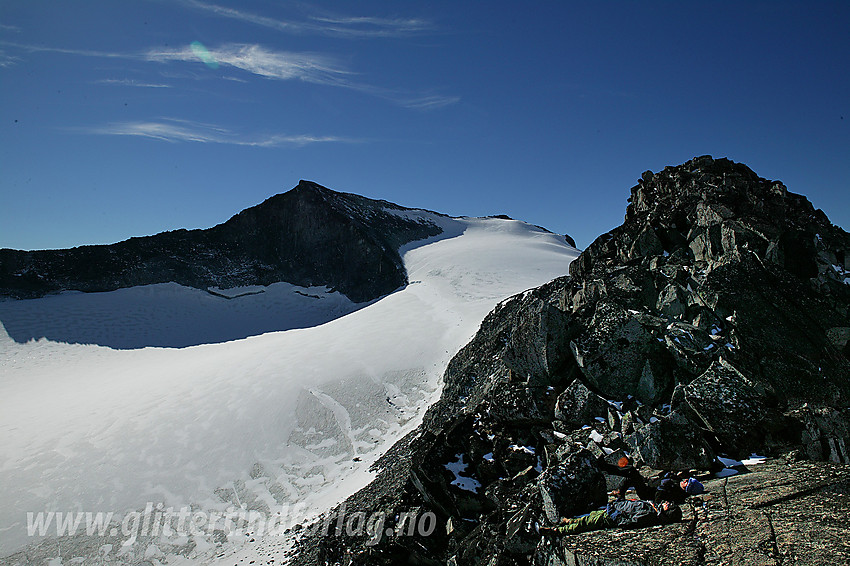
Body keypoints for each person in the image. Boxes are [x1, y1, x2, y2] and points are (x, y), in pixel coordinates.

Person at [539, 499, 682, 536]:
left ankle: (556, 531)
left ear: (667, 513)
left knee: (585, 524)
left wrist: (613, 512)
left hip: (610, 516)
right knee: (588, 517)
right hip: (613, 509)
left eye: (669, 506)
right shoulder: (652, 507)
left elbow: (628, 522)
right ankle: (568, 521)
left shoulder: (649, 514)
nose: (667, 503)